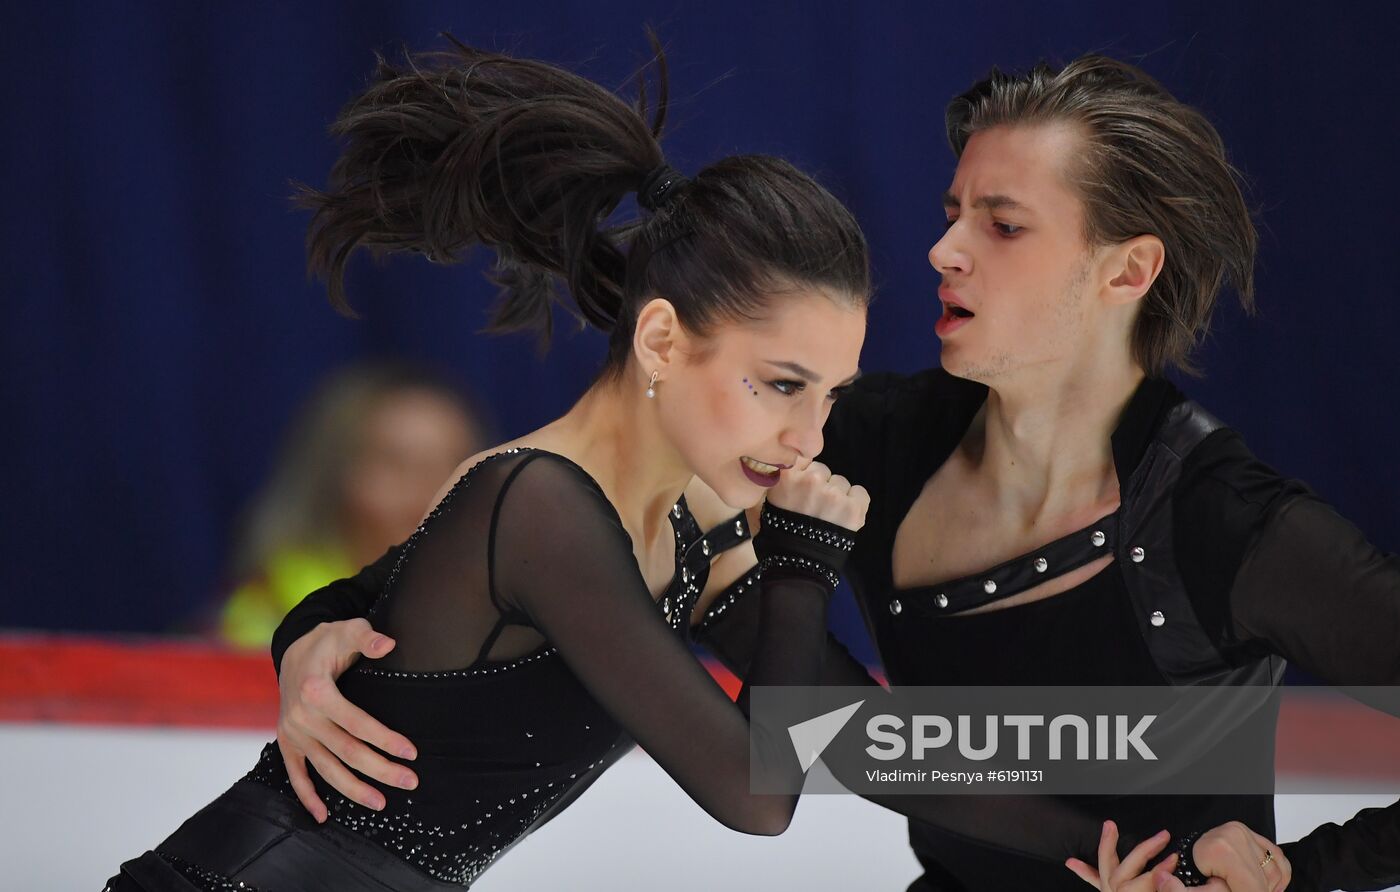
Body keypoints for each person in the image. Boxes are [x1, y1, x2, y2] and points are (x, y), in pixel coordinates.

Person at [278, 55, 1400, 891]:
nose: (941, 249)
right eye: (952, 210)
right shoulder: (852, 442)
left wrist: (1308, 870)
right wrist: (316, 631)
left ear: (1126, 270)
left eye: (1000, 224)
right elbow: (517, 531)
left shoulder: (1239, 530)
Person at [103, 36, 875, 890]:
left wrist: (1049, 770)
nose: (811, 438)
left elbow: (851, 736)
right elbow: (756, 793)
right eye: (781, 385)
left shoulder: (690, 525)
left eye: (832, 394)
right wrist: (803, 563)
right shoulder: (539, 503)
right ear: (661, 340)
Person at [218, 363, 484, 648]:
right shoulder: (266, 615)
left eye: (455, 467)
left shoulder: (504, 615)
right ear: (335, 476)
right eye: (397, 465)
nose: (432, 492)